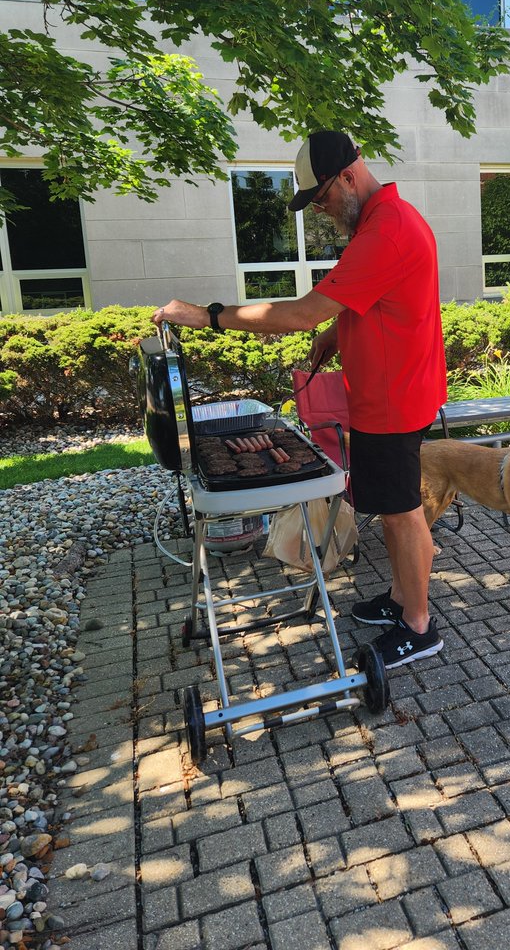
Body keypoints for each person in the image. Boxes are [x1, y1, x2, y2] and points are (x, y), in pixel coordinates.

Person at [152, 131, 448, 668]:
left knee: (401, 513)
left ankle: (419, 625)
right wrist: (338, 333)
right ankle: (402, 598)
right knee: (393, 507)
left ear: (348, 177)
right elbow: (383, 300)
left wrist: (206, 315)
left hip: (394, 400)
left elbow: (300, 312)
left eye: (321, 197)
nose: (320, 209)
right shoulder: (386, 220)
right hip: (397, 391)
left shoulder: (386, 232)